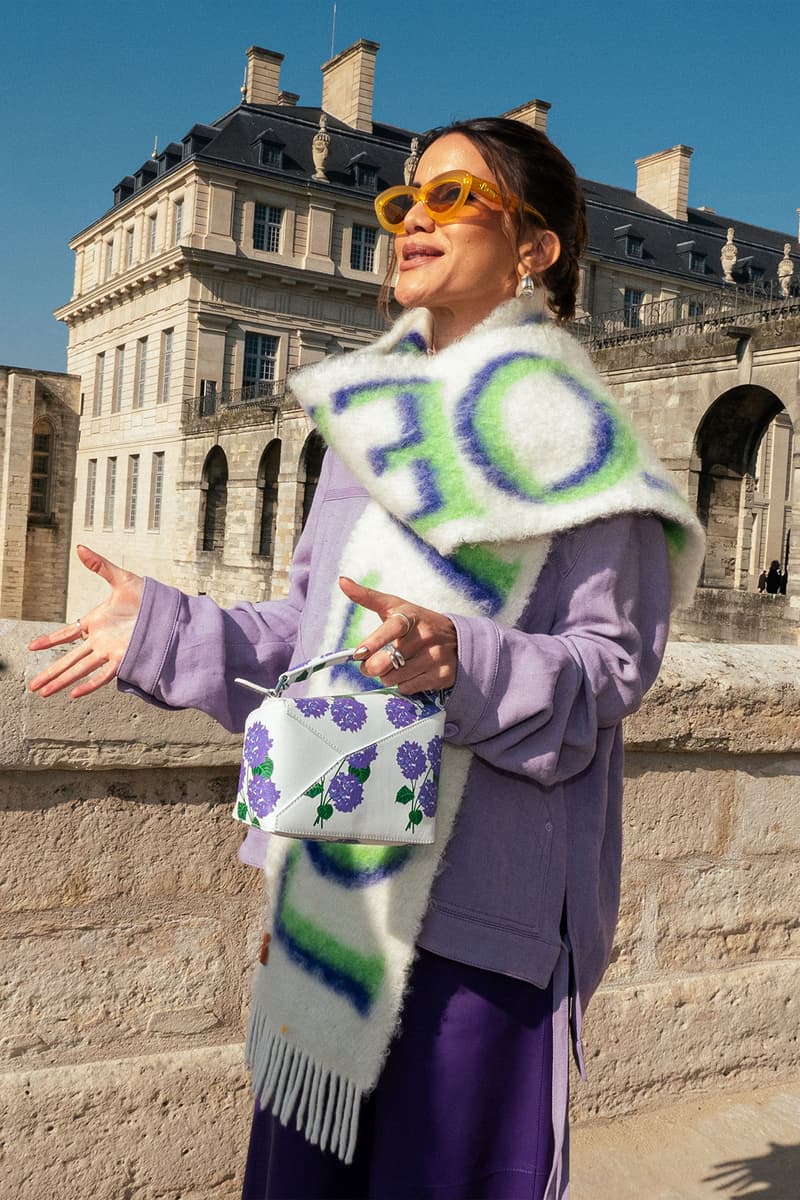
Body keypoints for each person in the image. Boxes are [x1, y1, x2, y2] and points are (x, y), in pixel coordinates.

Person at [29, 118, 704, 1200]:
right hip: (338, 895)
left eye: (450, 198)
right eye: (404, 199)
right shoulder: (367, 426)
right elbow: (309, 639)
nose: (410, 222)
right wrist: (158, 627)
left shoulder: (580, 447)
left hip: (483, 920)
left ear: (535, 249)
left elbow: (605, 676)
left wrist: (461, 659)